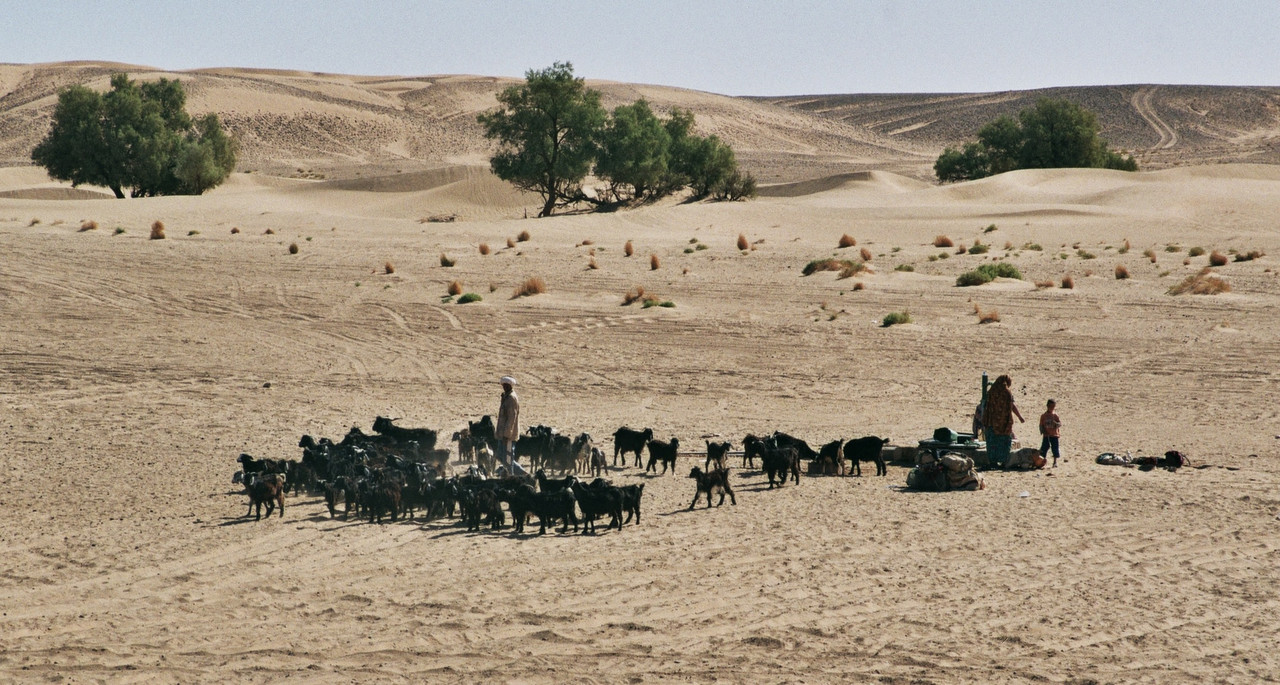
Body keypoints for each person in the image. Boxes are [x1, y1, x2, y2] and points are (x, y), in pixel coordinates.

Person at [983, 374, 1023, 468]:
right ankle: (1004, 461)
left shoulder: (991, 391)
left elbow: (986, 406)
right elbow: (1012, 406)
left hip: (991, 422)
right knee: (1004, 441)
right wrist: (1020, 417)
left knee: (992, 442)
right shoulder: (1007, 392)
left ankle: (993, 462)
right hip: (1004, 423)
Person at [495, 375, 520, 467]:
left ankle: (512, 476)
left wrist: (507, 435)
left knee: (508, 459)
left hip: (508, 436)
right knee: (501, 456)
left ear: (511, 386)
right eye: (503, 385)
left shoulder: (511, 398)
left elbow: (511, 419)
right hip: (502, 434)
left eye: (506, 385)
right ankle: (521, 473)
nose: (504, 387)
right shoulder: (506, 396)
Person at [1039, 399, 1063, 467]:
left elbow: (1059, 424)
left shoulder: (1055, 415)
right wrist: (1043, 431)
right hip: (1046, 435)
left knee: (1055, 448)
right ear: (1047, 406)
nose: (1051, 408)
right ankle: (1042, 461)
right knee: (1044, 448)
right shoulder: (1043, 416)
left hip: (1054, 435)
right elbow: (1041, 425)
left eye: (1053, 406)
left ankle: (1055, 462)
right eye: (1050, 406)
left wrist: (1055, 423)